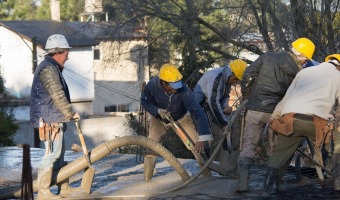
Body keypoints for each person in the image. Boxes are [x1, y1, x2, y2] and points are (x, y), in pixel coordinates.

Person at [235, 37, 315, 193]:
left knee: (248, 145)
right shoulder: (300, 73)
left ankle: (242, 184)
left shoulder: (268, 56)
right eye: (306, 58)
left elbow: (248, 76)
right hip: (278, 113)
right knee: (280, 149)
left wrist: (247, 97)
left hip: (255, 108)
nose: (306, 61)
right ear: (303, 55)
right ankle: (279, 183)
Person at [262, 54, 340, 195]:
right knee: (337, 144)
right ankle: (338, 184)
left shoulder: (304, 72)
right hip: (316, 122)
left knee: (279, 153)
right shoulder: (338, 76)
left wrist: (275, 117)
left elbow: (287, 97)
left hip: (290, 119)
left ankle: (265, 190)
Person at [30, 34, 82, 199]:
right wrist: (70, 112)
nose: (68, 56)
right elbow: (58, 94)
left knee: (59, 155)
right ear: (58, 52)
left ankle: (64, 188)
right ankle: (43, 192)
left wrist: (66, 114)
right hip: (49, 119)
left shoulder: (52, 67)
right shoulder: (48, 69)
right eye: (66, 52)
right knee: (52, 154)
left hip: (53, 118)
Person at [141, 63, 213, 181]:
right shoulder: (152, 85)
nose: (176, 88)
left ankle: (207, 175)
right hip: (159, 118)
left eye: (177, 84)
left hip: (181, 118)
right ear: (163, 82)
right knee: (152, 144)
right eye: (173, 85)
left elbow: (198, 111)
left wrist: (203, 137)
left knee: (196, 146)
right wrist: (157, 110)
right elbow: (145, 102)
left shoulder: (184, 91)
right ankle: (147, 178)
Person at [194, 59, 247, 132]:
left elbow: (224, 96)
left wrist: (225, 108)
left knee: (225, 124)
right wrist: (224, 123)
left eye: (237, 80)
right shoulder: (215, 79)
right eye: (234, 79)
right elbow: (213, 103)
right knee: (206, 134)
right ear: (230, 73)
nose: (235, 82)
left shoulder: (226, 78)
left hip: (209, 105)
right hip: (200, 105)